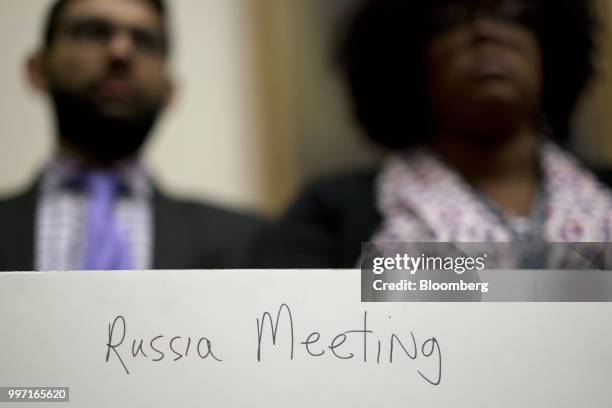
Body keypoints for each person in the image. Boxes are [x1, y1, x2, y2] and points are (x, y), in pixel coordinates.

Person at [255, 0, 612, 268]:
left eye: (513, 14)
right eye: (451, 20)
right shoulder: (333, 211)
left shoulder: (602, 191)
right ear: (404, 59)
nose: (487, 32)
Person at [0, 0, 266, 271]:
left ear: (168, 89)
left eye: (145, 41)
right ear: (38, 69)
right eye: (92, 32)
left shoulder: (249, 242)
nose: (121, 51)